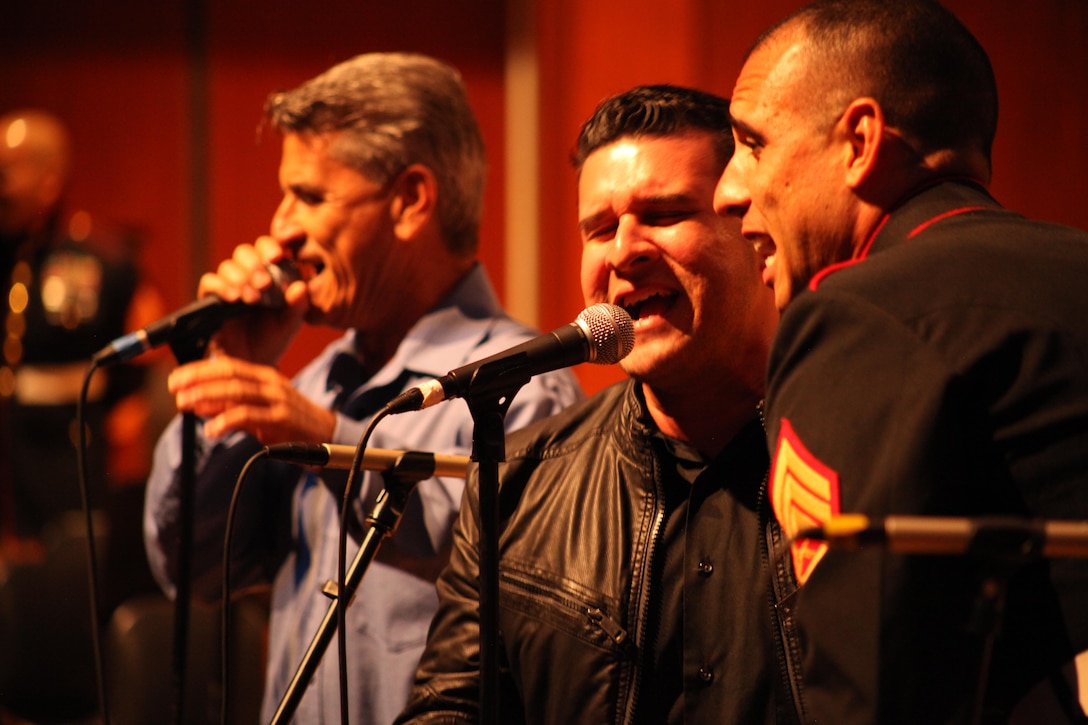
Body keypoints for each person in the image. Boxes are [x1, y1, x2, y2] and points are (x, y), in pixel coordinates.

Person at [143, 52, 582, 724]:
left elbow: (500, 582)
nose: (281, 226)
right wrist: (229, 377)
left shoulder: (520, 386)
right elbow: (193, 570)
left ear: (409, 199)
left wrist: (327, 437)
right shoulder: (315, 383)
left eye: (311, 196)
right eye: (285, 193)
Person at [715, 0, 1088, 722]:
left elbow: (875, 669)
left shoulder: (855, 315)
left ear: (858, 141)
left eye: (752, 143)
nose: (729, 191)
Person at [396, 85, 790, 725]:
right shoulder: (518, 478)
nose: (623, 251)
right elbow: (452, 707)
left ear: (753, 229)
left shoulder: (855, 456)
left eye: (663, 214)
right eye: (600, 228)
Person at [0, 108, 167, 722]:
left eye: (10, 170)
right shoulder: (8, 254)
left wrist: (126, 415)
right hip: (12, 443)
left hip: (70, 445)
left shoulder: (99, 258)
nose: (0, 184)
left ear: (48, 179)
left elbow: (149, 344)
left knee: (67, 578)